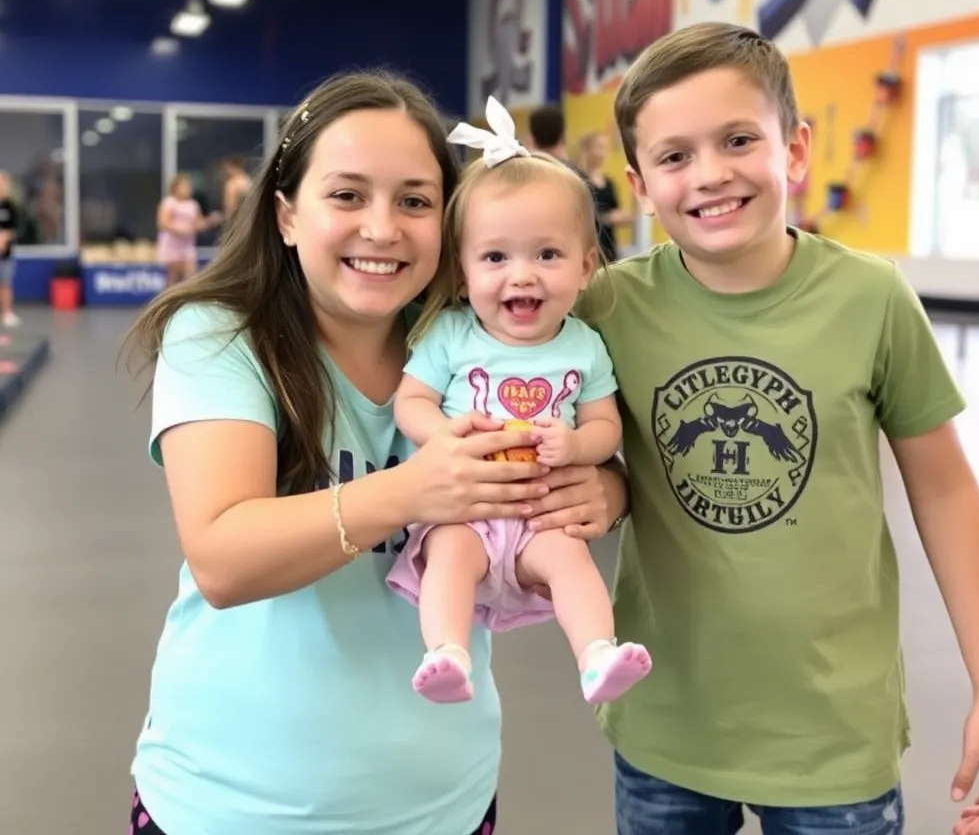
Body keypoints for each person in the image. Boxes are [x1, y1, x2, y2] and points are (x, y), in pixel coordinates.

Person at [120, 70, 628, 835]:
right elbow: (223, 560)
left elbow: (597, 444)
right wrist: (414, 491)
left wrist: (606, 490)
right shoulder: (221, 338)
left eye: (415, 202)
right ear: (288, 215)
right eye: (348, 195)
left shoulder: (483, 336)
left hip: (444, 805)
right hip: (232, 809)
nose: (383, 229)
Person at [576, 22, 979, 835]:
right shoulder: (607, 307)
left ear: (795, 148)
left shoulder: (872, 300)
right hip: (666, 723)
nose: (710, 174)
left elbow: (946, 490)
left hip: (832, 738)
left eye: (737, 139)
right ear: (639, 184)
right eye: (674, 156)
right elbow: (589, 451)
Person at [387, 96, 652, 708]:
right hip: (464, 508)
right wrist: (445, 436)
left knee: (572, 564)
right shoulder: (451, 335)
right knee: (449, 558)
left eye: (547, 255)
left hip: (542, 515)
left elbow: (606, 425)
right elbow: (412, 401)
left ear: (586, 267)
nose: (522, 275)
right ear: (462, 271)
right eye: (495, 257)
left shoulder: (584, 345)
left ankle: (596, 655)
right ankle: (447, 653)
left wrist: (577, 445)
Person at [156, 173, 221, 286]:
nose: (187, 189)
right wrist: (179, 229)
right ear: (176, 187)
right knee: (174, 277)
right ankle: (170, 296)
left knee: (191, 274)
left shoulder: (193, 204)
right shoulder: (169, 202)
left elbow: (199, 223)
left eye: (188, 186)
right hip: (173, 244)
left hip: (187, 245)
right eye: (184, 186)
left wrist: (210, 221)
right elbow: (162, 223)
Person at [577, 131, 632, 261]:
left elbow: (618, 211)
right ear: (587, 150)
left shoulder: (609, 183)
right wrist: (606, 218)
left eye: (605, 148)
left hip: (609, 250)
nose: (603, 152)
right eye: (599, 147)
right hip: (588, 249)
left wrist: (623, 217)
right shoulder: (578, 181)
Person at [0, 169, 20, 327]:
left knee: (5, 283)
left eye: (3, 184)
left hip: (5, 254)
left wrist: (4, 238)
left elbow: (14, 230)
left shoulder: (10, 207)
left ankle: (7, 313)